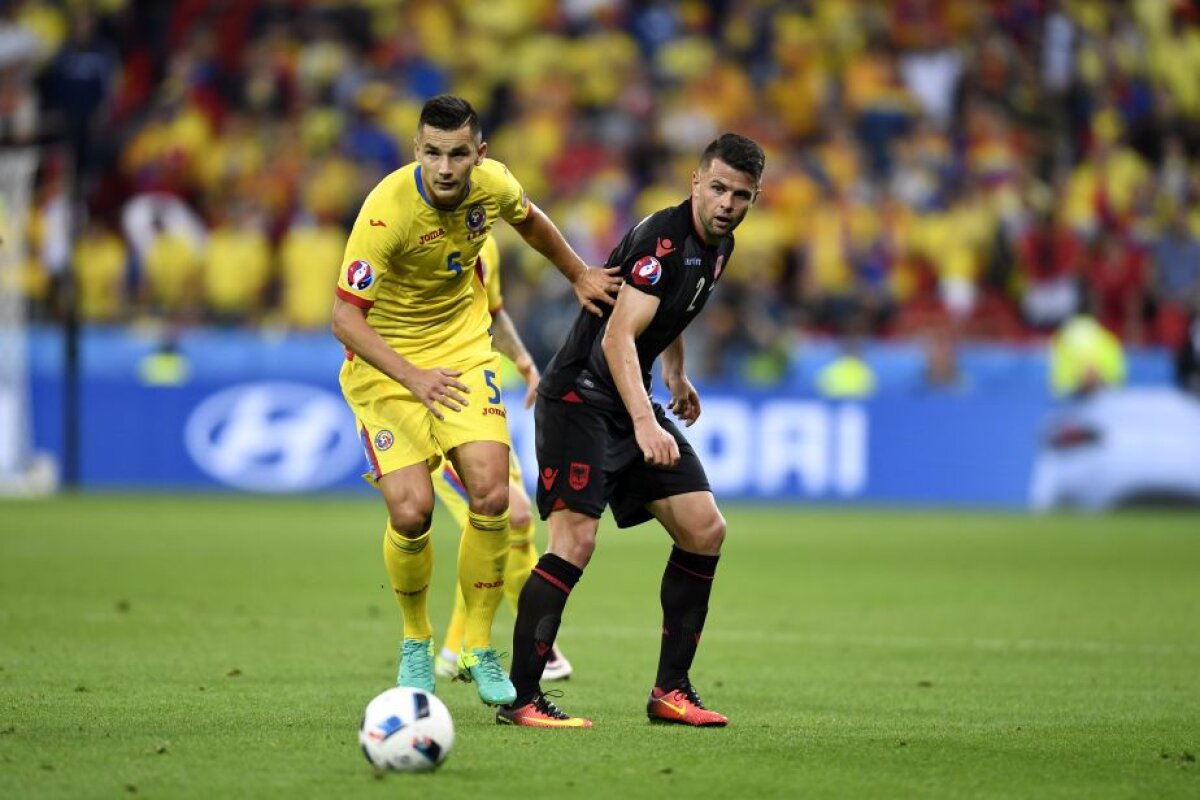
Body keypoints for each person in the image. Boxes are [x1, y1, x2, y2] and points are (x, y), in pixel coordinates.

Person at [331, 95, 618, 708]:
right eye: (432, 152)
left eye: (457, 153)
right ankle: (415, 640)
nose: (444, 166)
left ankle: (479, 647)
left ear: (478, 154)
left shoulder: (492, 186)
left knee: (495, 495)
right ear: (416, 151)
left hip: (462, 355)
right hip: (388, 368)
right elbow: (345, 320)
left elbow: (532, 218)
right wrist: (413, 377)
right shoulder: (384, 212)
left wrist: (577, 274)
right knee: (410, 512)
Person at [497, 133, 765, 728]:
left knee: (704, 529)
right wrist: (646, 420)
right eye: (717, 187)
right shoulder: (664, 243)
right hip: (580, 397)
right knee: (574, 543)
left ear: (753, 198)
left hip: (628, 393)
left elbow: (671, 311)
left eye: (740, 194)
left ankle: (672, 691)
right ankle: (521, 699)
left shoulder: (719, 246)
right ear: (695, 182)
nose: (725, 202)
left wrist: (676, 370)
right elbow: (618, 336)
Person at [430, 235, 573, 683]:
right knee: (510, 515)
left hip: (481, 407)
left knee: (501, 524)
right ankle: (535, 644)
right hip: (434, 408)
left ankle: (457, 649)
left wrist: (527, 363)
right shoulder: (407, 231)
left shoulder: (483, 244)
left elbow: (491, 312)